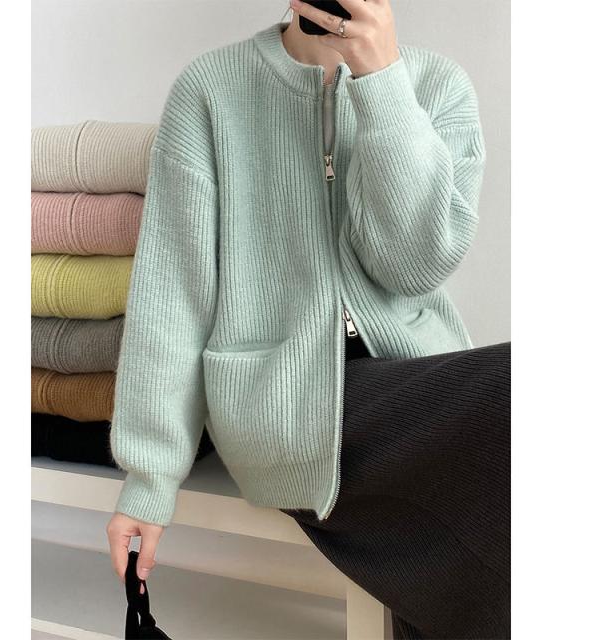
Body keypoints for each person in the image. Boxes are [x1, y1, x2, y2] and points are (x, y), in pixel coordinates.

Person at [107, 1, 510, 637]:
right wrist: (149, 478)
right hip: (279, 402)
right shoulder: (211, 89)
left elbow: (415, 266)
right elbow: (174, 292)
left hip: (416, 383)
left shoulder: (436, 85)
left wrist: (381, 82)